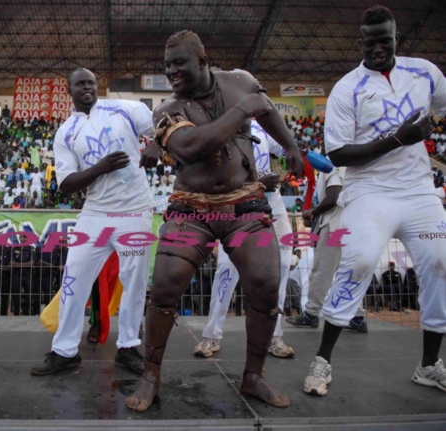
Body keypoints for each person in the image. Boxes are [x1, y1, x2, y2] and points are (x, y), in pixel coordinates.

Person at [126, 30, 303, 412]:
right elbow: (192, 148)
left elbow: (268, 110)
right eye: (167, 65)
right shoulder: (166, 111)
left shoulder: (240, 82)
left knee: (266, 286)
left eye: (178, 63)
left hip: (246, 206)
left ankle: (254, 376)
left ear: (202, 61)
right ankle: (151, 374)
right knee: (165, 288)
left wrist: (290, 145)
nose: (171, 71)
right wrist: (243, 111)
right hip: (192, 209)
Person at [302, 5, 446, 397]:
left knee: (440, 263)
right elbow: (339, 154)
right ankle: (323, 360)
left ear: (396, 37)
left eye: (385, 39)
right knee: (360, 260)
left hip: (419, 189)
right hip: (369, 190)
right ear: (360, 42)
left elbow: (441, 109)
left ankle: (430, 365)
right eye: (370, 42)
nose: (378, 47)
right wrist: (401, 138)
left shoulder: (425, 72)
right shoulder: (348, 88)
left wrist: (426, 136)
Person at [30, 67, 157, 377]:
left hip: (135, 211)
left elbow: (165, 126)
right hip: (95, 214)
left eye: (90, 83)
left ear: (97, 86)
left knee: (134, 283)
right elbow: (66, 184)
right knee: (74, 279)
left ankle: (128, 347)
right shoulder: (66, 131)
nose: (87, 88)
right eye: (80, 84)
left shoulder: (125, 108)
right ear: (69, 90)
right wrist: (101, 167)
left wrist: (156, 144)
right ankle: (65, 351)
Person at [193, 122, 296, 359]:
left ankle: (274, 335)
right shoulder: (219, 130)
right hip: (238, 209)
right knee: (227, 270)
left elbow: (286, 151)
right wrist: (257, 184)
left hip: (274, 206)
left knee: (280, 268)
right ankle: (211, 335)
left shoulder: (262, 128)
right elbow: (217, 181)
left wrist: (291, 155)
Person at [287, 152, 367, 332]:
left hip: (335, 225)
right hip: (350, 222)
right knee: (348, 272)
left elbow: (332, 197)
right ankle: (357, 317)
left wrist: (312, 212)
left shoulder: (332, 163)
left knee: (322, 269)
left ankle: (311, 313)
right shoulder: (350, 161)